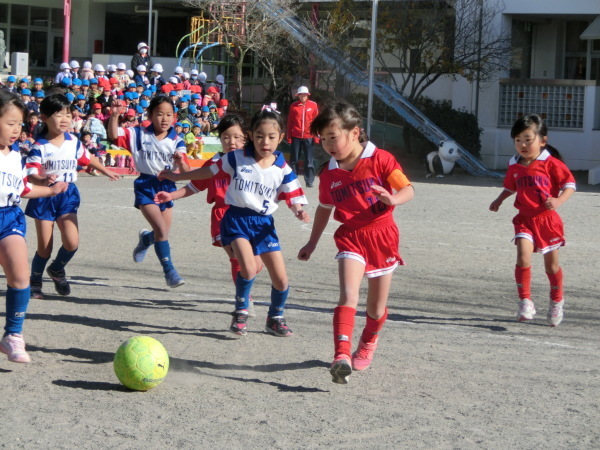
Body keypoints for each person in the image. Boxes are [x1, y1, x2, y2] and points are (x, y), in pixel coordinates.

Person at [159, 107, 310, 336]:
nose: (265, 142)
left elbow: (293, 196)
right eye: (259, 136)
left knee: (281, 279)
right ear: (252, 135)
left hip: (264, 224)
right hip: (236, 219)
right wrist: (176, 176)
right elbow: (208, 173)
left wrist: (298, 210)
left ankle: (275, 317)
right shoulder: (236, 158)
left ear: (281, 138)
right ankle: (241, 311)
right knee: (247, 268)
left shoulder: (283, 168)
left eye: (271, 137)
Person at [297, 99, 414, 384]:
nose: (327, 144)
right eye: (323, 139)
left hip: (382, 235)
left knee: (375, 309)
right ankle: (342, 355)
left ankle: (368, 342)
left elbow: (407, 189)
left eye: (333, 137)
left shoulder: (381, 159)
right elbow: (325, 209)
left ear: (354, 132)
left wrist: (393, 198)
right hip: (350, 237)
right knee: (348, 295)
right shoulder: (329, 174)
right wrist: (312, 243)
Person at [155, 114, 263, 316]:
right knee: (238, 260)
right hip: (224, 217)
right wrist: (171, 195)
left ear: (246, 138)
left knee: (257, 265)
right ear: (219, 139)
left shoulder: (253, 161)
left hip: (251, 217)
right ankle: (245, 300)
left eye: (238, 137)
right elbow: (194, 186)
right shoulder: (214, 164)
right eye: (226, 137)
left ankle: (244, 290)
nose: (232, 142)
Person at [25, 94, 120, 299]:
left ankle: (57, 269)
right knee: (45, 247)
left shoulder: (73, 142)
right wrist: (43, 180)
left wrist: (106, 170)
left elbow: (88, 158)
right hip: (44, 196)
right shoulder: (39, 146)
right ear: (44, 117)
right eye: (59, 115)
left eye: (68, 114)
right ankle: (35, 282)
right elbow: (31, 171)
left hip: (67, 194)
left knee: (72, 243)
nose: (65, 119)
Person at [0, 90, 69, 363]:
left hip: (9, 218)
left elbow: (23, 188)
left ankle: (13, 335)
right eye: (10, 123)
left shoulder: (16, 154)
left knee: (20, 275)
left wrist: (50, 191)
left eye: (19, 124)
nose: (16, 130)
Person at [489, 114, 575, 327]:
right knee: (522, 257)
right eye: (518, 140)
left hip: (547, 221)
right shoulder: (514, 164)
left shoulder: (551, 163)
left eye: (528, 139)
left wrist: (558, 200)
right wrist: (499, 199)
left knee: (552, 267)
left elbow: (570, 185)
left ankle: (556, 302)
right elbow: (511, 186)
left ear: (542, 140)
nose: (523, 144)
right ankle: (525, 302)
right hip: (524, 219)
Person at [108, 96, 190, 288]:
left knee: (162, 232)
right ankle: (170, 272)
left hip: (167, 186)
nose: (164, 118)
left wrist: (179, 162)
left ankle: (145, 239)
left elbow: (186, 172)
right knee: (161, 230)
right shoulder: (138, 134)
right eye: (159, 114)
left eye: (169, 114)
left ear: (175, 117)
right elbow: (114, 135)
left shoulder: (177, 140)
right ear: (151, 115)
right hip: (145, 184)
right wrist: (114, 115)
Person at [286, 86, 319, 187]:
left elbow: (316, 122)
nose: (303, 96)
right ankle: (293, 180)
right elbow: (290, 122)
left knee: (309, 160)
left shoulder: (313, 105)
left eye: (304, 95)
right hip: (296, 136)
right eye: (301, 95)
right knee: (294, 159)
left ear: (307, 95)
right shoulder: (294, 106)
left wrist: (316, 137)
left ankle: (309, 181)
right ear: (298, 95)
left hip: (308, 136)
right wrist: (289, 136)